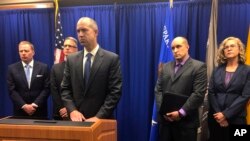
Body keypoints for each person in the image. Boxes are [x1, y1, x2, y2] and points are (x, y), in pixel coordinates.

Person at [61, 17, 122, 122]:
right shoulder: (71, 59)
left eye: (84, 30)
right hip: (76, 121)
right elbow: (65, 89)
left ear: (96, 32)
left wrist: (99, 117)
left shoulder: (111, 59)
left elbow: (115, 92)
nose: (80, 34)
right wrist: (72, 110)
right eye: (78, 31)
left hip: (102, 122)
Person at [155, 37, 207, 141]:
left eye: (178, 46)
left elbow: (198, 94)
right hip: (165, 122)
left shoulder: (199, 67)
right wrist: (163, 111)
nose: (175, 50)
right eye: (173, 48)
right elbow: (158, 90)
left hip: (186, 123)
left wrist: (180, 113)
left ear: (187, 47)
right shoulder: (165, 67)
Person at [208, 37, 250, 141]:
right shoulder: (217, 70)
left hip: (237, 118)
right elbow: (211, 92)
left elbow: (245, 96)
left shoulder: (247, 70)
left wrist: (225, 115)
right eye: (226, 47)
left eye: (232, 46)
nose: (228, 49)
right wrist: (220, 116)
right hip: (216, 118)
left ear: (239, 49)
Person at [7, 41, 50, 119]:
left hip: (39, 111)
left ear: (33, 52)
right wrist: (24, 106)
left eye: (26, 51)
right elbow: (11, 90)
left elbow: (47, 88)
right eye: (21, 51)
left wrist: (34, 104)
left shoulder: (43, 67)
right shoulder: (12, 69)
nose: (23, 53)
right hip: (20, 112)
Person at [50, 37, 78, 120]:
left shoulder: (81, 66)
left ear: (76, 49)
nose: (67, 48)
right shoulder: (56, 68)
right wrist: (62, 108)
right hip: (61, 113)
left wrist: (71, 108)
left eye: (70, 46)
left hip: (78, 111)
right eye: (65, 46)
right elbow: (54, 91)